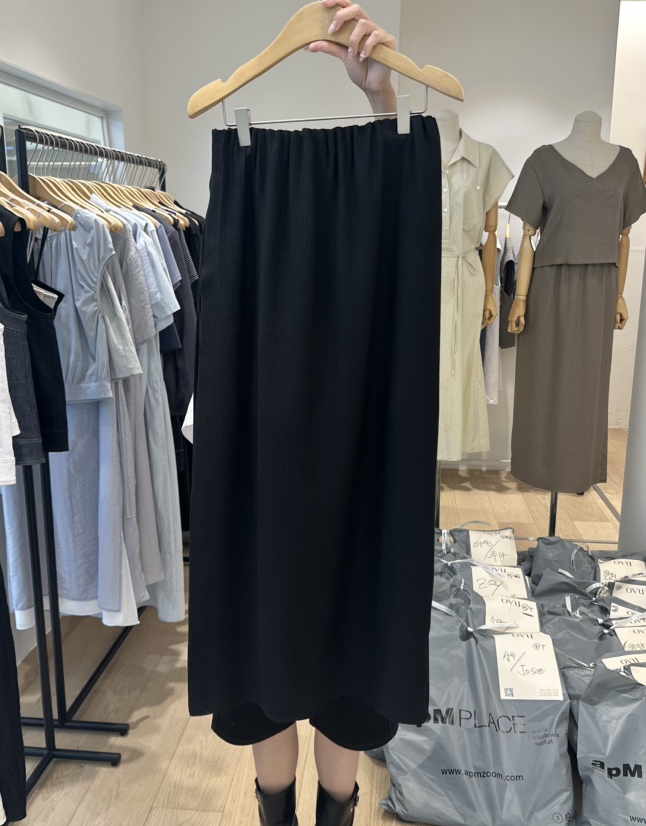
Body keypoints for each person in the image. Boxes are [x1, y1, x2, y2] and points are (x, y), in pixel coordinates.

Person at [231, 4, 401, 825]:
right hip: (266, 454)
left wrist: (382, 102)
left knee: (347, 650)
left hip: (357, 442)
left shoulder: (381, 219)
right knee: (271, 655)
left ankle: (332, 813)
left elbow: (400, 216)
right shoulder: (240, 195)